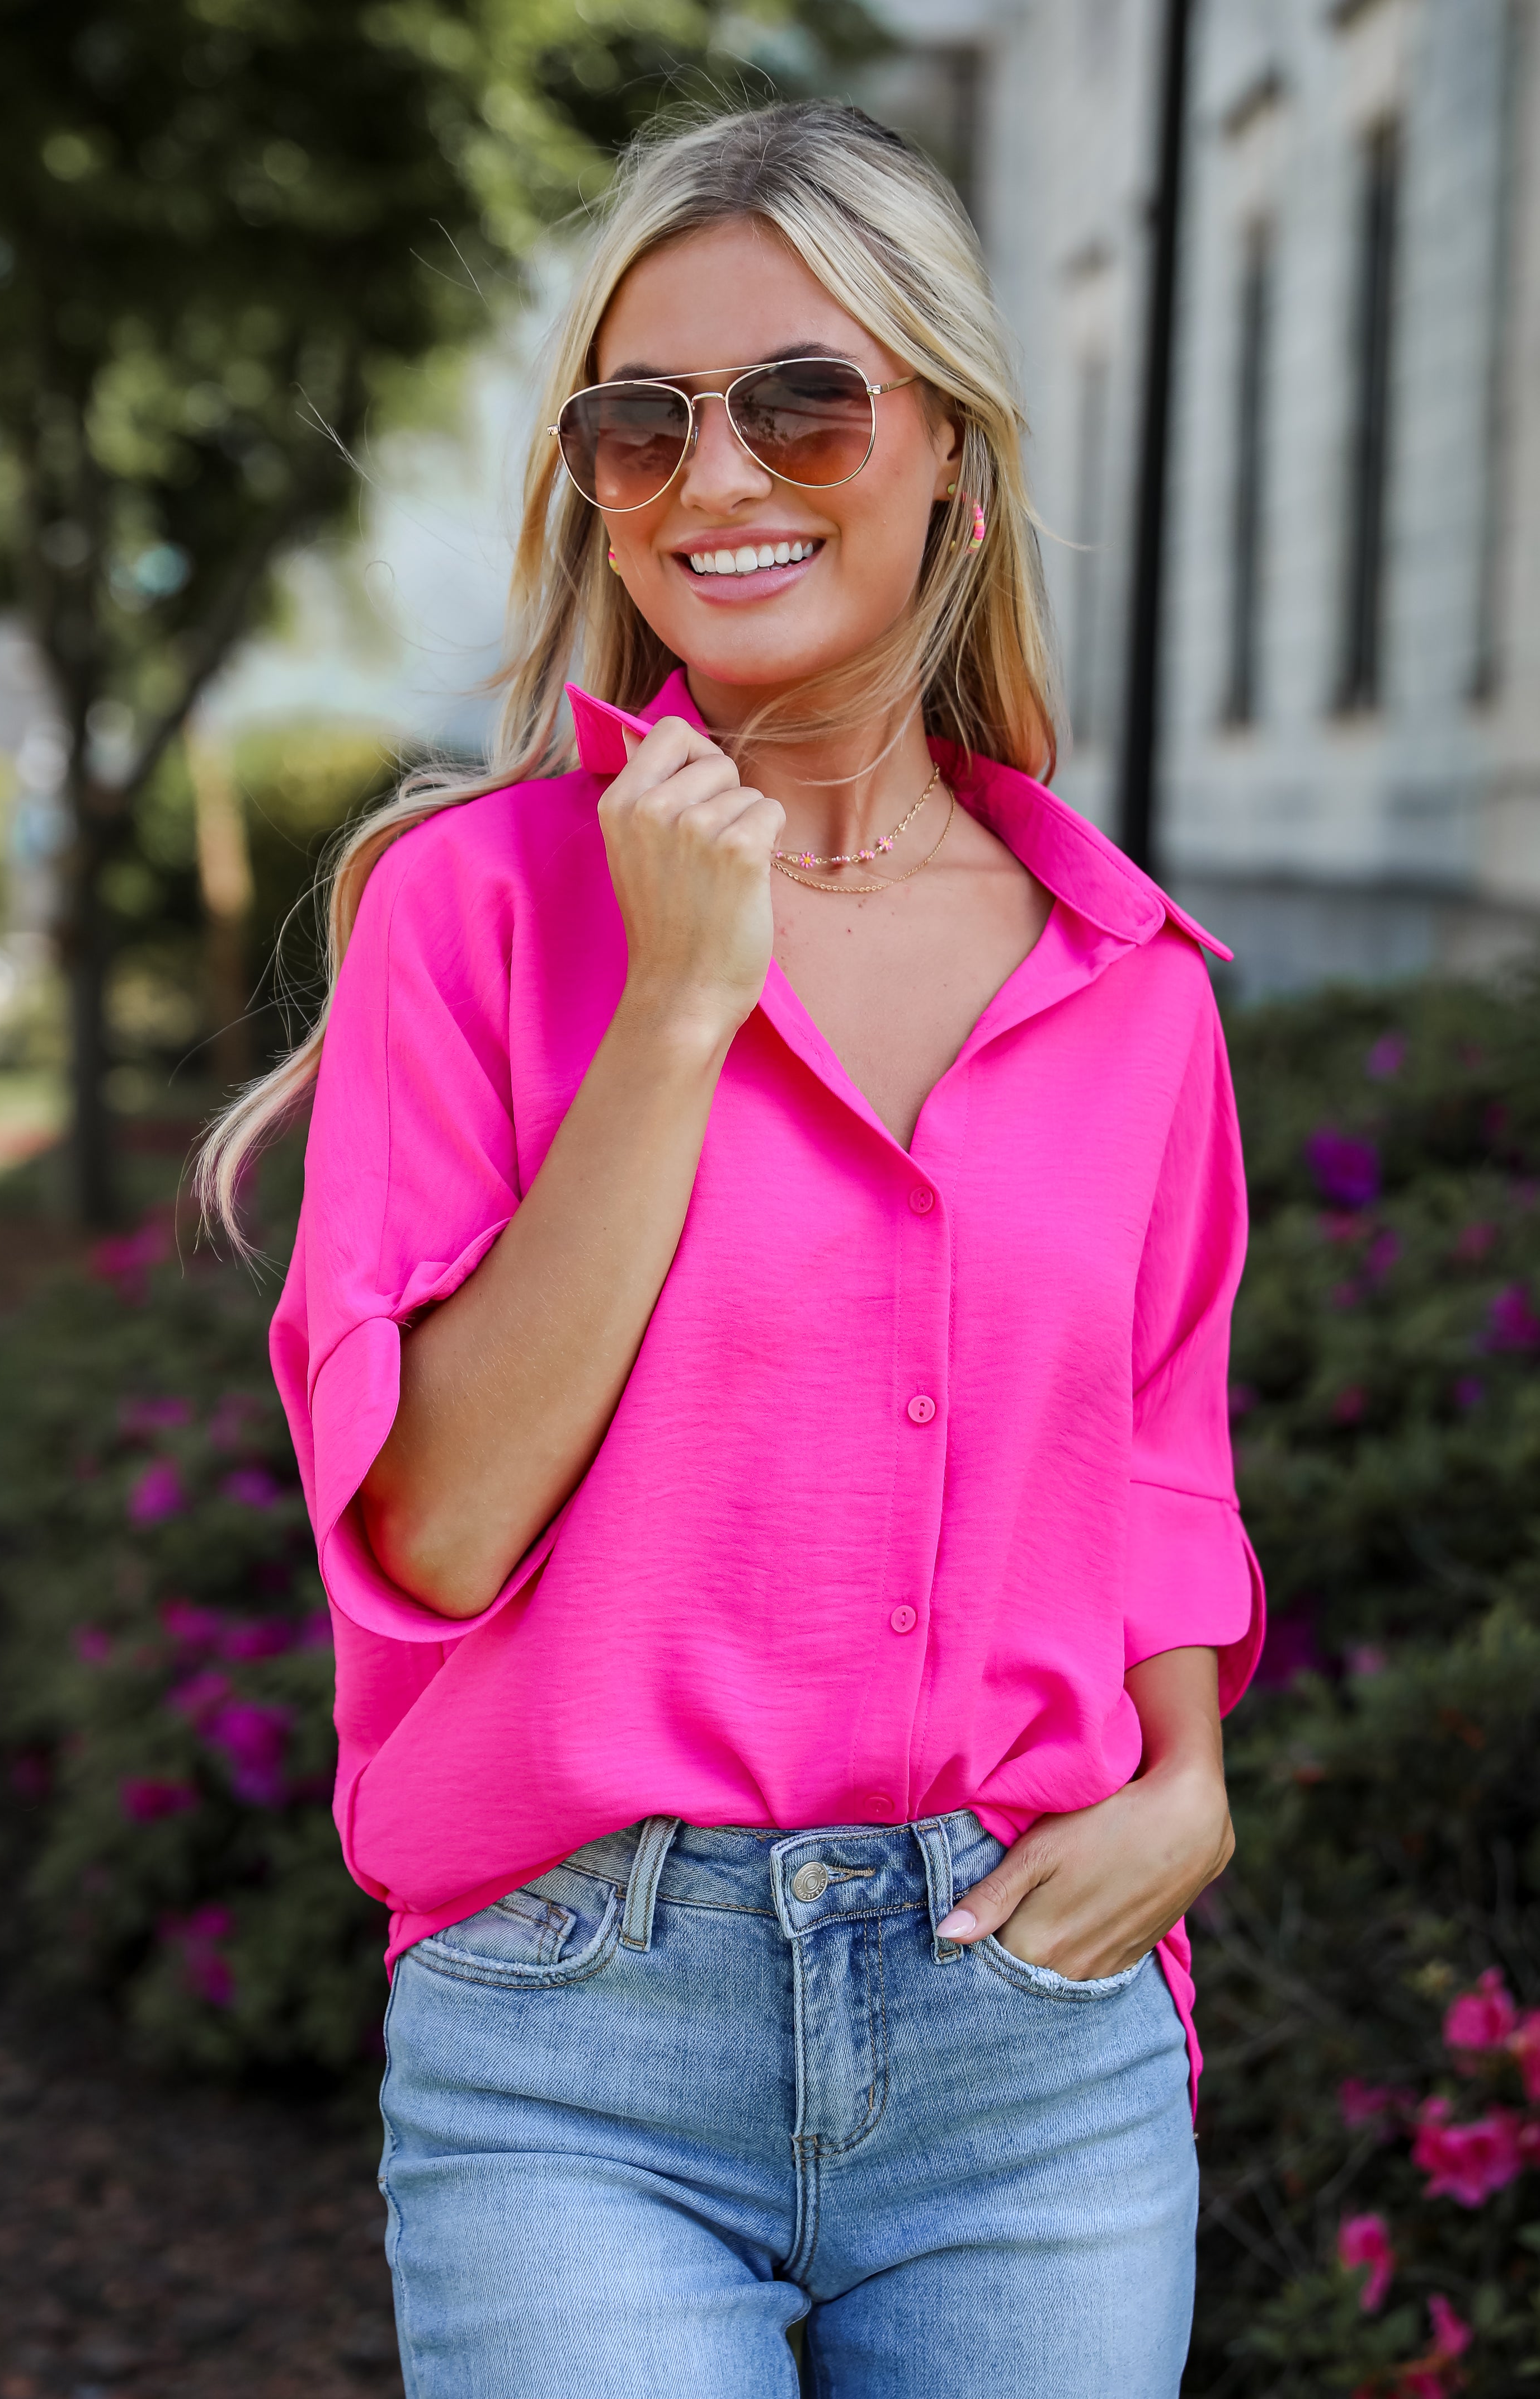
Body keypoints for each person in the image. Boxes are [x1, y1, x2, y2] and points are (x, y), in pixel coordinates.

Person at [201, 99, 1263, 2399]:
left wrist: (1184, 1784)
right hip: (577, 2044)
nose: (715, 478)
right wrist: (679, 1002)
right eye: (641, 421)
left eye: (801, 402)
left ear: (950, 451)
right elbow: (434, 1523)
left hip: (1033, 2040)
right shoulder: (472, 913)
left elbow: (1154, 1459)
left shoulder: (1130, 984)